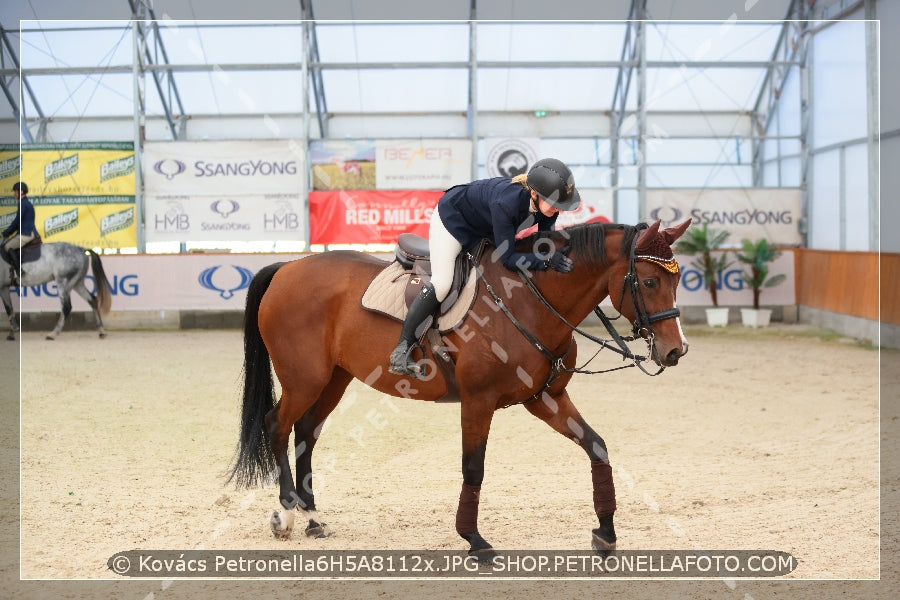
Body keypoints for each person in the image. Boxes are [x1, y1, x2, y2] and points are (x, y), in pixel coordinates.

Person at [388, 157, 581, 378]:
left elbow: (544, 242)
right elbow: (508, 259)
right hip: (453, 221)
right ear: (534, 194)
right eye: (555, 203)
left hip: (483, 227)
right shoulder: (506, 203)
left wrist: (558, 254)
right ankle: (401, 350)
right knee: (442, 282)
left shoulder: (547, 208)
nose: (559, 210)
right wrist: (547, 261)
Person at [2, 181, 38, 282]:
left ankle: (18, 271)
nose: (14, 194)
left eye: (16, 192)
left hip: (26, 233)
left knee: (7, 246)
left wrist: (7, 232)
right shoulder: (26, 203)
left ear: (21, 192)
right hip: (28, 232)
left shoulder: (23, 204)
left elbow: (17, 221)